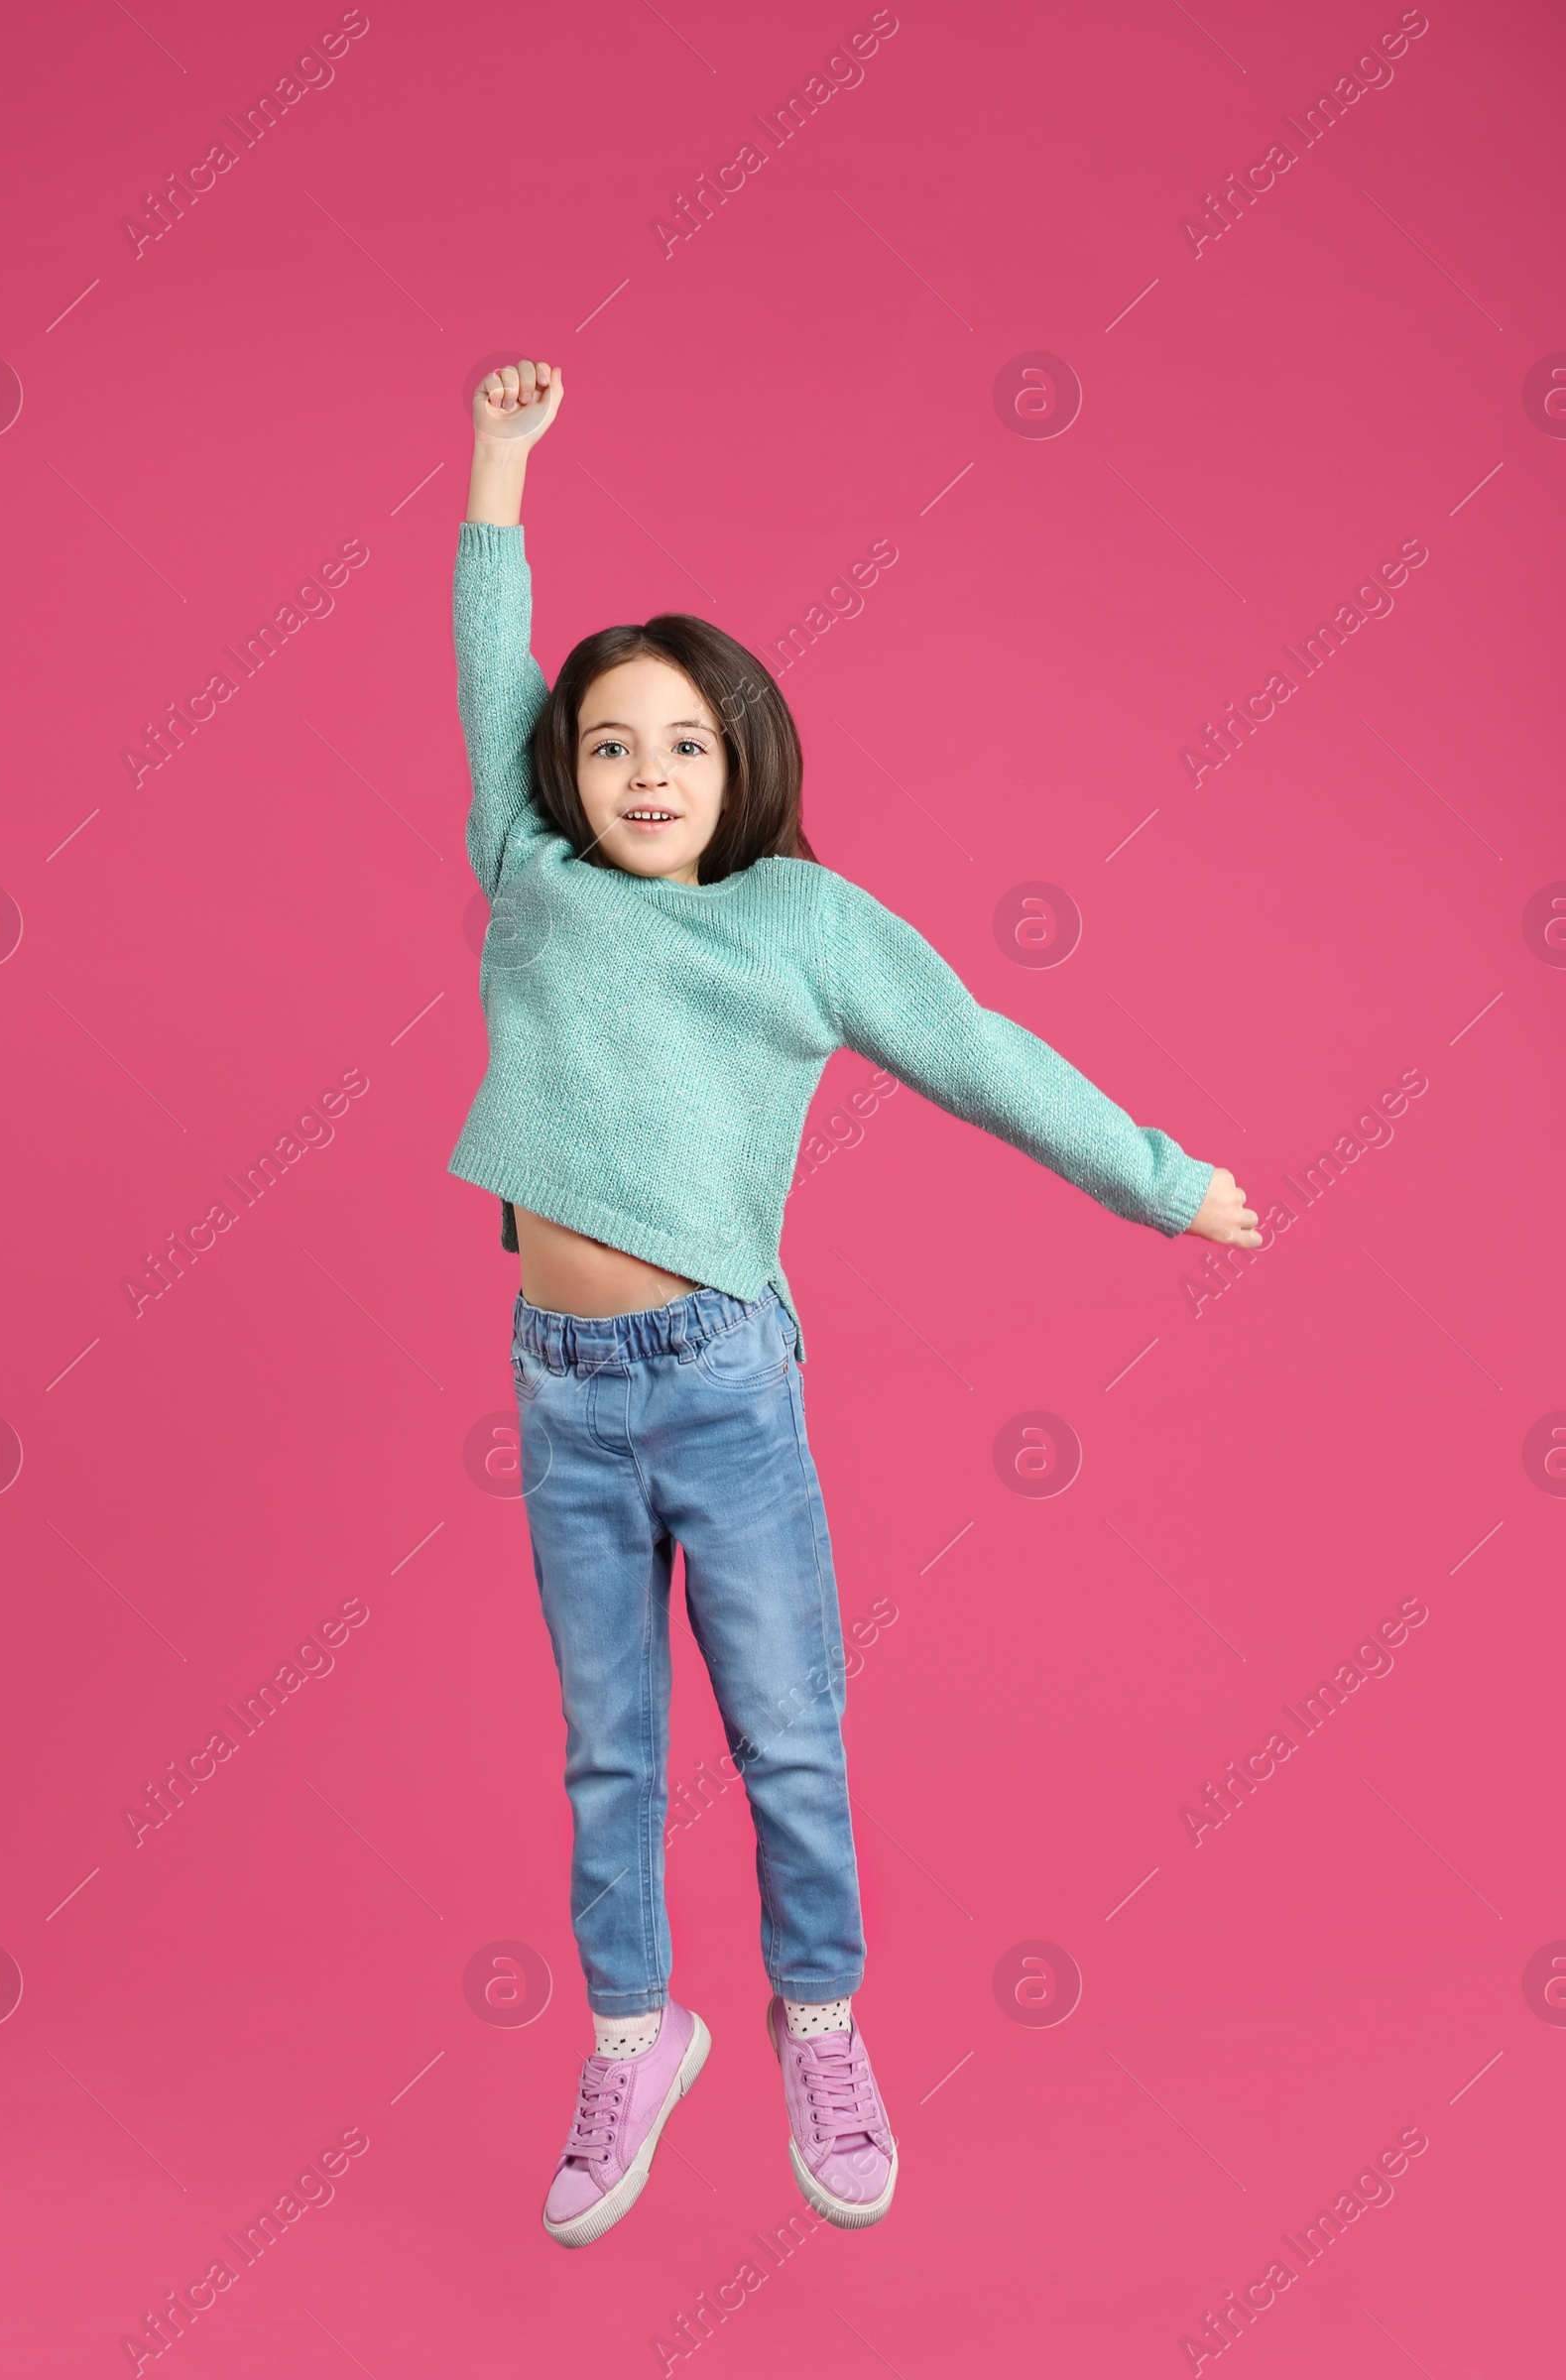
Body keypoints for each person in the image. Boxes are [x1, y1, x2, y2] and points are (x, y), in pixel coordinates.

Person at [450, 359, 1260, 2249]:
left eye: (683, 746)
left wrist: (1155, 1179)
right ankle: (635, 2041)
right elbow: (493, 669)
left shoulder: (800, 925)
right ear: (557, 775)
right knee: (608, 1744)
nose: (642, 775)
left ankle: (821, 2023)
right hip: (561, 1386)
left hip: (721, 1379)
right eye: (607, 747)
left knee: (788, 1731)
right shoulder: (533, 871)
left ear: (743, 761)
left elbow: (980, 1054)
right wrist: (497, 470)